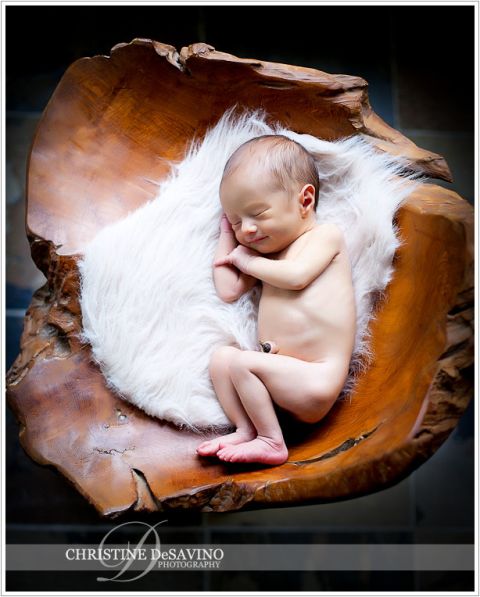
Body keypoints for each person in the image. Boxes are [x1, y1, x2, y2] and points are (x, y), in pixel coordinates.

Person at [196, 135, 357, 465]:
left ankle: (272, 442)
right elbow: (228, 290)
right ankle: (246, 429)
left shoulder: (325, 236)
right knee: (222, 359)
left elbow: (297, 276)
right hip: (277, 381)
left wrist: (249, 262)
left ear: (305, 200)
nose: (248, 230)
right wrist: (227, 236)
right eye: (238, 220)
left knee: (242, 362)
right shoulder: (268, 256)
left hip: (315, 379)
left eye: (257, 213)